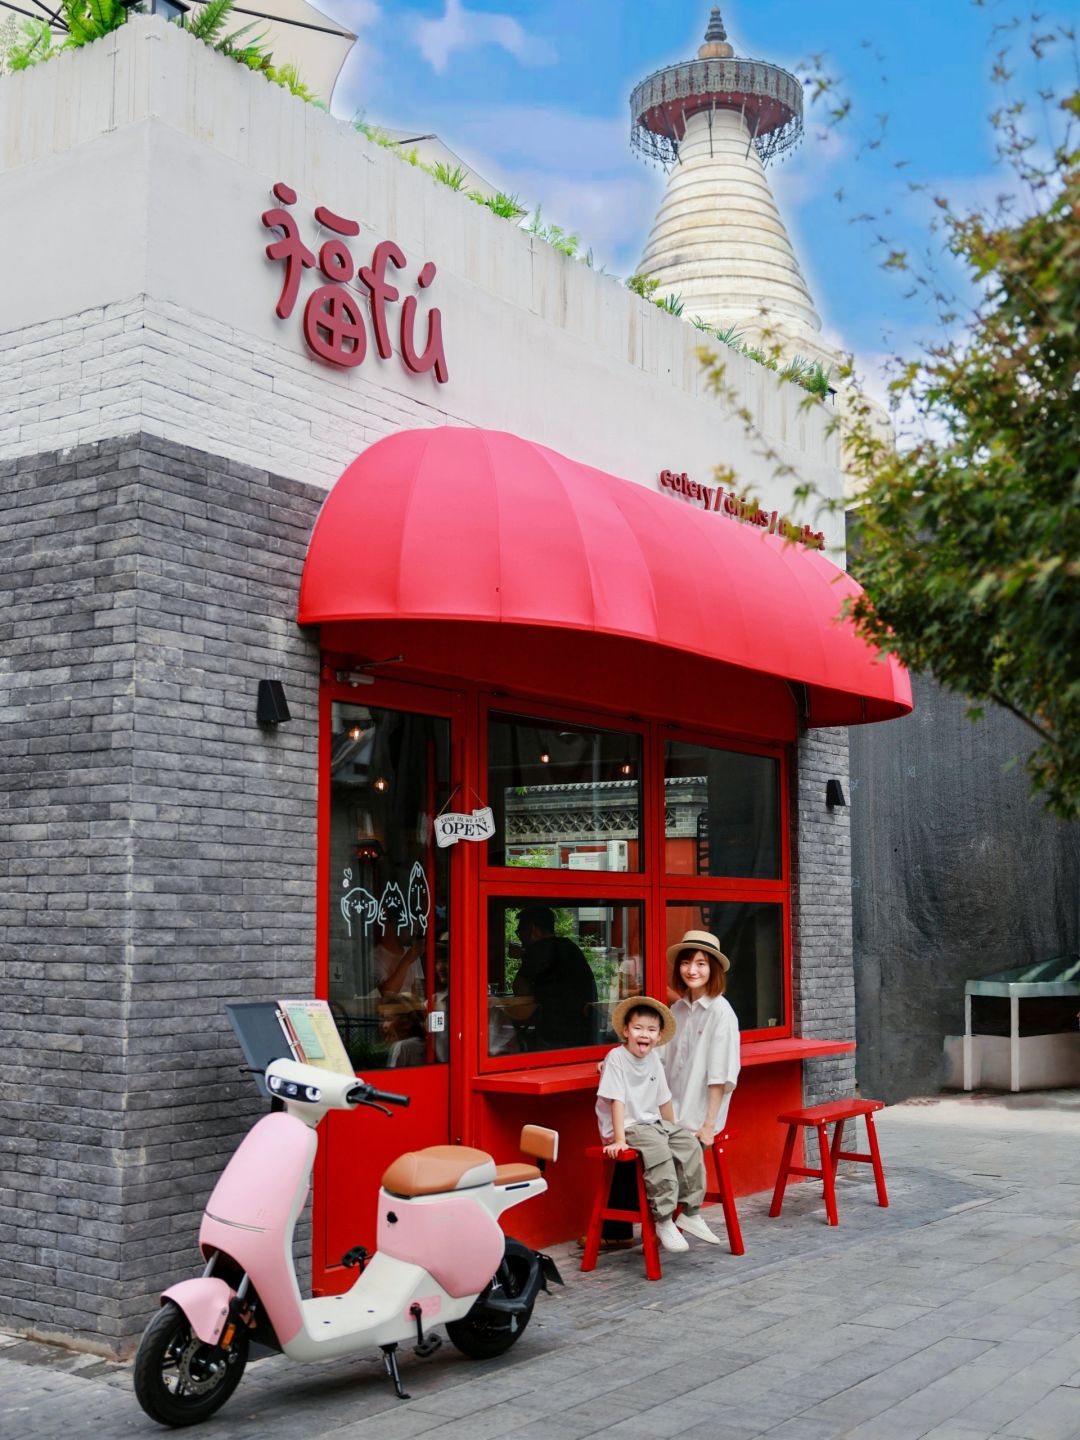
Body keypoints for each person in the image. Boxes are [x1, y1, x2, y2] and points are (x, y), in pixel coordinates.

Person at [595, 996, 722, 1253]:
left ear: (659, 1035)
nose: (645, 1035)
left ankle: (690, 1211)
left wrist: (672, 1130)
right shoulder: (616, 1058)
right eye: (638, 1028)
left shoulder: (653, 1059)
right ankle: (663, 1219)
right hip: (628, 1126)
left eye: (651, 1030)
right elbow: (616, 1102)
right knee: (658, 1151)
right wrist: (619, 1139)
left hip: (652, 1123)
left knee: (688, 1144)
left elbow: (664, 1101)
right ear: (626, 1031)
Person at [663, 929, 741, 1146]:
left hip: (698, 1121)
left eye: (701, 964)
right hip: (668, 1116)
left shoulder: (721, 1012)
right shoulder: (676, 1010)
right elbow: (657, 1054)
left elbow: (721, 1074)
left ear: (713, 969)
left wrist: (708, 1126)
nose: (691, 970)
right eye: (686, 962)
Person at [512, 905, 597, 1050]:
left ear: (533, 929)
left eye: (520, 932)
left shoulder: (539, 949)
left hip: (556, 1034)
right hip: (585, 1030)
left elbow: (520, 988)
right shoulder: (569, 946)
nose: (520, 937)